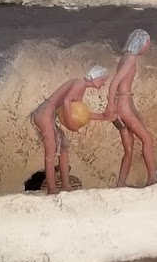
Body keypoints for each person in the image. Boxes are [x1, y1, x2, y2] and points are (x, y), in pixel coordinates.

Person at [30, 66, 108, 194]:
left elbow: (78, 113)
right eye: (103, 80)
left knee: (63, 148)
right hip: (44, 115)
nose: (103, 84)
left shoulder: (81, 86)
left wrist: (102, 117)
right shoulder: (79, 83)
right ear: (97, 77)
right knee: (51, 153)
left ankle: (65, 185)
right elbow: (66, 102)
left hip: (48, 115)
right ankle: (51, 188)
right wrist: (70, 124)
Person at [103, 29, 157, 188]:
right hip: (123, 104)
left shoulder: (124, 58)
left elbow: (124, 89)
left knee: (128, 148)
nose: (148, 46)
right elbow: (115, 83)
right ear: (140, 43)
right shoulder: (130, 59)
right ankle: (152, 177)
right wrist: (110, 105)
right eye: (147, 42)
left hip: (124, 103)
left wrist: (131, 110)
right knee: (147, 139)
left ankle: (121, 182)